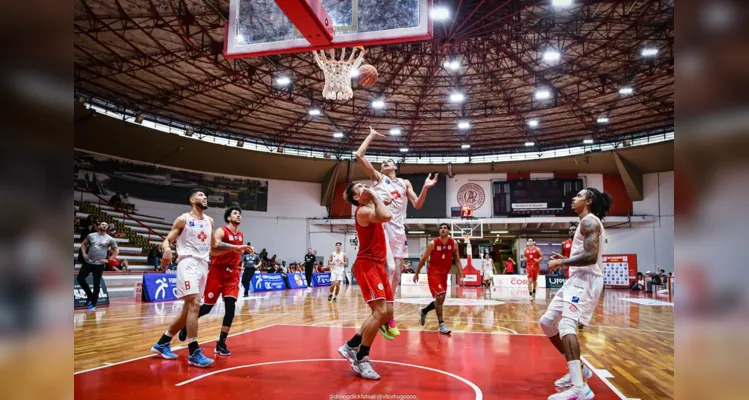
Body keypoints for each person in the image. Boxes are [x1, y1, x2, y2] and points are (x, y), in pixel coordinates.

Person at [355, 126, 439, 338]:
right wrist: (371, 136)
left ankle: (387, 315)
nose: (385, 163)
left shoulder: (404, 183)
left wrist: (426, 188)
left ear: (395, 167)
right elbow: (358, 155)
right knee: (389, 266)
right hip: (382, 226)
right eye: (382, 163)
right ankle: (382, 312)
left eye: (388, 162)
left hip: (399, 230)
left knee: (396, 274)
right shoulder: (377, 179)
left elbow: (417, 205)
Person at [541, 187, 612, 400]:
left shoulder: (589, 222)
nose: (574, 198)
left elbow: (590, 257)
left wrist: (562, 261)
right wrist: (566, 259)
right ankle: (580, 369)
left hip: (586, 280)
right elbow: (585, 254)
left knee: (566, 325)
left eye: (579, 195)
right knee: (546, 322)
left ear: (588, 200)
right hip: (575, 279)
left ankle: (580, 388)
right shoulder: (584, 223)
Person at [150, 189, 218, 368]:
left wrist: (237, 247)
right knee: (195, 303)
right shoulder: (183, 219)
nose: (204, 197)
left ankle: (163, 342)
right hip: (187, 263)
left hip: (203, 265)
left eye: (205, 196)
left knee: (188, 309)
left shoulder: (209, 221)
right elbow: (166, 240)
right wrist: (166, 249)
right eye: (200, 195)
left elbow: (214, 246)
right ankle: (194, 351)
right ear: (192, 200)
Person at [337, 182, 394, 380]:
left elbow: (388, 206)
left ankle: (351, 345)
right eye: (358, 189)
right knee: (379, 312)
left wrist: (381, 197)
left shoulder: (370, 207)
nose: (364, 187)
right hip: (367, 264)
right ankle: (362, 358)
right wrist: (376, 196)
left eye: (364, 185)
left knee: (386, 314)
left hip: (379, 265)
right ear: (356, 199)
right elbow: (386, 216)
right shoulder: (362, 212)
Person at [176, 207, 249, 356]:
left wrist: (237, 263)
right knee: (207, 307)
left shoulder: (240, 235)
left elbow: (236, 253)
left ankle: (221, 342)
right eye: (235, 213)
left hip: (232, 274)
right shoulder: (222, 231)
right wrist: (234, 249)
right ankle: (186, 326)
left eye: (240, 214)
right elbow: (212, 249)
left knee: (231, 308)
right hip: (217, 272)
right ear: (228, 218)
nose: (238, 215)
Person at [413, 223, 464, 334]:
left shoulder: (454, 244)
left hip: (444, 273)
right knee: (440, 296)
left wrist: (462, 276)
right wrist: (416, 273)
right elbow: (423, 259)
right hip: (433, 272)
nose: (442, 229)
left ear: (449, 231)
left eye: (445, 228)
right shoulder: (433, 243)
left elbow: (458, 260)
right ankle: (441, 324)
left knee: (440, 300)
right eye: (441, 228)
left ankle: (424, 311)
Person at [78, 221, 119, 310]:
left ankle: (93, 303)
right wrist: (84, 254)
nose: (104, 226)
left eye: (106, 225)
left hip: (99, 264)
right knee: (80, 278)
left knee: (96, 284)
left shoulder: (110, 239)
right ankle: (89, 295)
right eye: (102, 224)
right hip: (89, 262)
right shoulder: (91, 235)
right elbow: (83, 244)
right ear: (99, 226)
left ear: (107, 228)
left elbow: (116, 251)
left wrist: (108, 260)